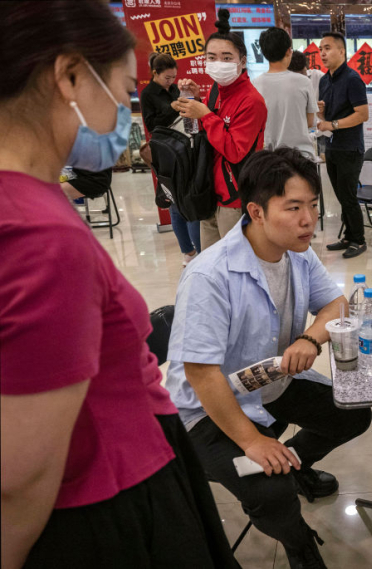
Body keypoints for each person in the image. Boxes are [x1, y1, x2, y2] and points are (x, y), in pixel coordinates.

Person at [0, 2, 237, 567]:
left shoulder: (31, 202)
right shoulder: (38, 234)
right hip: (105, 503)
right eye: (124, 92)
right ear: (70, 76)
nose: (126, 113)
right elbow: (20, 473)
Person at [164, 147, 372, 568]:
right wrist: (253, 441)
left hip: (269, 383)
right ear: (256, 212)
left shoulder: (298, 251)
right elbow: (203, 377)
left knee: (352, 412)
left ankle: (294, 461)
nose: (308, 219)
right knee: (270, 491)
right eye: (293, 207)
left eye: (313, 205)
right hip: (208, 410)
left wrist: (311, 340)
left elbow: (335, 305)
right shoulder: (209, 275)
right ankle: (298, 543)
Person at [173, 8, 267, 250]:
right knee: (211, 261)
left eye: (227, 58)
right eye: (211, 57)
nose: (218, 63)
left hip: (235, 196)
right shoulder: (216, 90)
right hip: (210, 189)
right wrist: (194, 99)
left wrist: (204, 113)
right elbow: (204, 130)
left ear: (242, 61)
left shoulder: (251, 100)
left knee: (236, 263)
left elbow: (236, 150)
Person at [141, 52, 201, 265]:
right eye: (167, 78)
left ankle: (198, 251)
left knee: (189, 198)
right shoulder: (148, 94)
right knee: (175, 202)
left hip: (184, 145)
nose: (171, 82)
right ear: (155, 74)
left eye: (173, 77)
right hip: (164, 151)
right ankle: (188, 252)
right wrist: (171, 108)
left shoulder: (175, 89)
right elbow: (151, 126)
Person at [318, 31, 370, 259]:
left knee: (348, 196)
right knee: (340, 196)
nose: (323, 53)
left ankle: (359, 240)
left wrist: (333, 124)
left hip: (350, 148)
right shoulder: (323, 80)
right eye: (321, 49)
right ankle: (349, 236)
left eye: (327, 48)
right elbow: (327, 115)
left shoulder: (353, 79)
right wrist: (322, 113)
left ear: (342, 51)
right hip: (332, 147)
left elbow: (362, 114)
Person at [254, 28, 319, 157]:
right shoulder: (303, 82)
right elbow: (310, 121)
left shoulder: (254, 84)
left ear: (264, 53)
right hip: (300, 155)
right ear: (289, 51)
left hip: (268, 156)